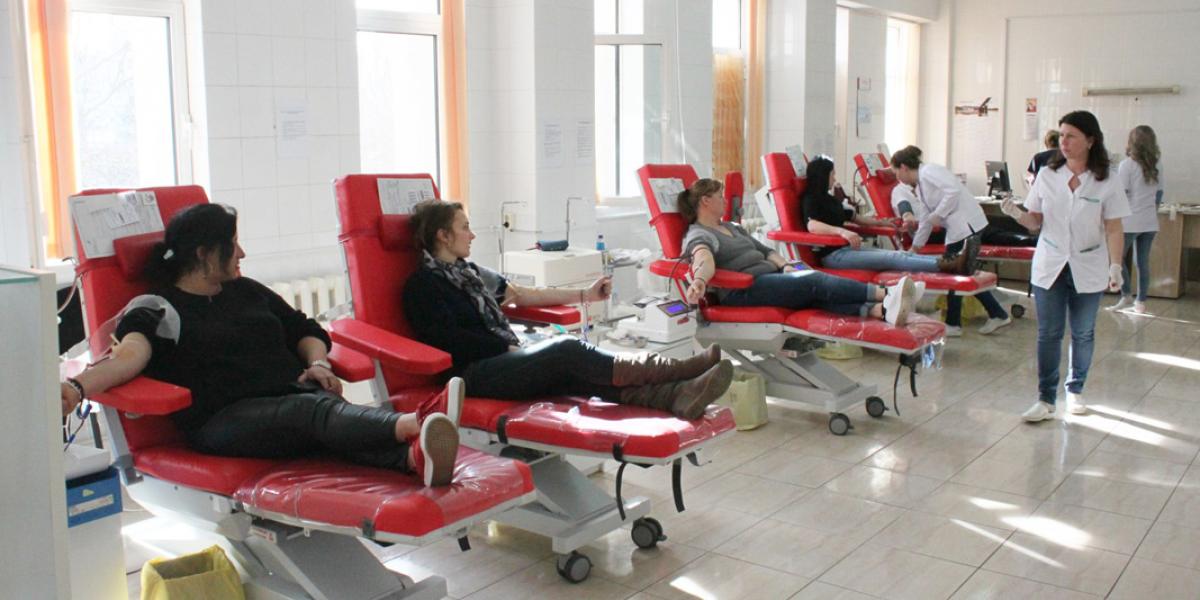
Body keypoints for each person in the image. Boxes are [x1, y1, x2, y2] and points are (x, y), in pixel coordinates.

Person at [58, 204, 462, 487]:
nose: (242, 253)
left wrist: (318, 363)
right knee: (311, 411)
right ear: (204, 254)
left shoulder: (246, 290)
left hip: (287, 402)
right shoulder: (157, 306)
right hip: (222, 422)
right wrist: (76, 389)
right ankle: (415, 423)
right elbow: (128, 357)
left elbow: (305, 329)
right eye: (233, 244)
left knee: (319, 410)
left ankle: (410, 458)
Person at [402, 201, 733, 421]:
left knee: (574, 373)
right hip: (471, 375)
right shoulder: (422, 286)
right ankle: (676, 370)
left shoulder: (470, 272)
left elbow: (520, 294)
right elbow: (449, 342)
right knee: (565, 350)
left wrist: (584, 294)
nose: (472, 234)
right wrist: (507, 346)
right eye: (464, 227)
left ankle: (676, 395)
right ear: (443, 235)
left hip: (503, 358)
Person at [1000, 110, 1130, 421]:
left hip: (1088, 263)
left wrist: (1115, 266)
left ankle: (1075, 391)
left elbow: (1114, 228)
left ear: (1090, 140)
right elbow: (1035, 222)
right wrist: (1017, 214)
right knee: (1049, 333)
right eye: (1061, 136)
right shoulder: (1047, 175)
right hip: (1051, 262)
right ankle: (1046, 399)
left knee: (1083, 332)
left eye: (1071, 136)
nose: (1064, 142)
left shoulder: (1107, 180)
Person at [677, 178, 920, 327]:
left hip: (769, 277)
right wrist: (699, 280)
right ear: (705, 201)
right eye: (720, 197)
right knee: (812, 281)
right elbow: (703, 259)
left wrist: (785, 265)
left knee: (810, 293)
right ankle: (886, 293)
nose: (724, 201)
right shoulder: (699, 234)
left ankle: (881, 311)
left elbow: (765, 250)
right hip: (743, 290)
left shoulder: (731, 227)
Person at [890, 145, 1013, 336]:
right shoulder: (920, 186)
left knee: (956, 273)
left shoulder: (929, 171)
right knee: (962, 273)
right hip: (958, 229)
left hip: (966, 226)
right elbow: (926, 219)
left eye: (896, 172)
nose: (896, 177)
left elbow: (953, 191)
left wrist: (938, 214)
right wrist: (915, 248)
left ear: (904, 167)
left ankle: (956, 323)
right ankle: (994, 314)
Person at [802, 155, 975, 275]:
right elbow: (812, 225)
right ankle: (951, 265)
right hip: (834, 256)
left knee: (902, 255)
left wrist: (882, 223)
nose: (834, 178)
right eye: (832, 175)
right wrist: (842, 232)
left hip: (847, 249)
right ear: (823, 176)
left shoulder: (830, 199)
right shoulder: (810, 199)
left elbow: (856, 218)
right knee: (893, 256)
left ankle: (954, 261)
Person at [1108, 125, 1163, 313]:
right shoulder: (1157, 165)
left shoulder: (1127, 165)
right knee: (1142, 262)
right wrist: (1151, 211)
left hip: (1129, 221)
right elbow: (1159, 194)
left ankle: (1125, 295)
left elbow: (1121, 194)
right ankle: (1141, 302)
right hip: (1150, 221)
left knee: (1117, 258)